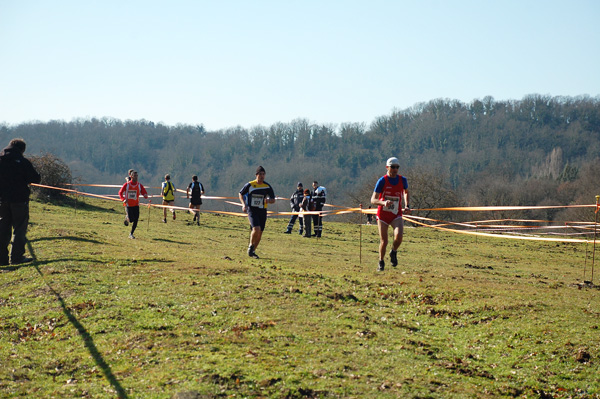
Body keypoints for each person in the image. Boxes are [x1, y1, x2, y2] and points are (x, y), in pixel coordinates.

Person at [0, 138, 41, 265]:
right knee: (19, 228)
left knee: (2, 229)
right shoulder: (23, 162)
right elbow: (35, 178)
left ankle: (1, 259)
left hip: (2, 200)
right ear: (22, 150)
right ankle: (16, 258)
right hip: (19, 200)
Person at [370, 157, 410, 272]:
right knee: (384, 241)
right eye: (393, 167)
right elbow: (373, 200)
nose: (395, 169)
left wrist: (407, 205)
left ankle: (393, 251)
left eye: (397, 167)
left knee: (399, 237)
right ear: (387, 167)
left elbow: (406, 192)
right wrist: (383, 202)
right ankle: (381, 262)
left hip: (396, 214)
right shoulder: (382, 181)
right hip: (383, 215)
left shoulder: (403, 180)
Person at [238, 166, 275, 258]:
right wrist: (243, 204)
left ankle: (253, 251)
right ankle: (251, 245)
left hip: (262, 211)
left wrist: (268, 200)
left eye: (263, 174)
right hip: (252, 210)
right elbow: (240, 194)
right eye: (260, 174)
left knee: (260, 232)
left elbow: (273, 199)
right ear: (256, 175)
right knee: (256, 229)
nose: (262, 176)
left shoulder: (267, 186)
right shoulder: (250, 185)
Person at [118, 170, 149, 239]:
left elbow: (144, 193)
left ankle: (131, 234)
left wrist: (145, 195)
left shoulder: (139, 185)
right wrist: (123, 199)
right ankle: (127, 217)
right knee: (131, 220)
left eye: (137, 176)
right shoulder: (127, 185)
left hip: (136, 205)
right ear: (131, 176)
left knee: (136, 219)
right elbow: (120, 193)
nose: (136, 177)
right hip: (128, 205)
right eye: (135, 176)